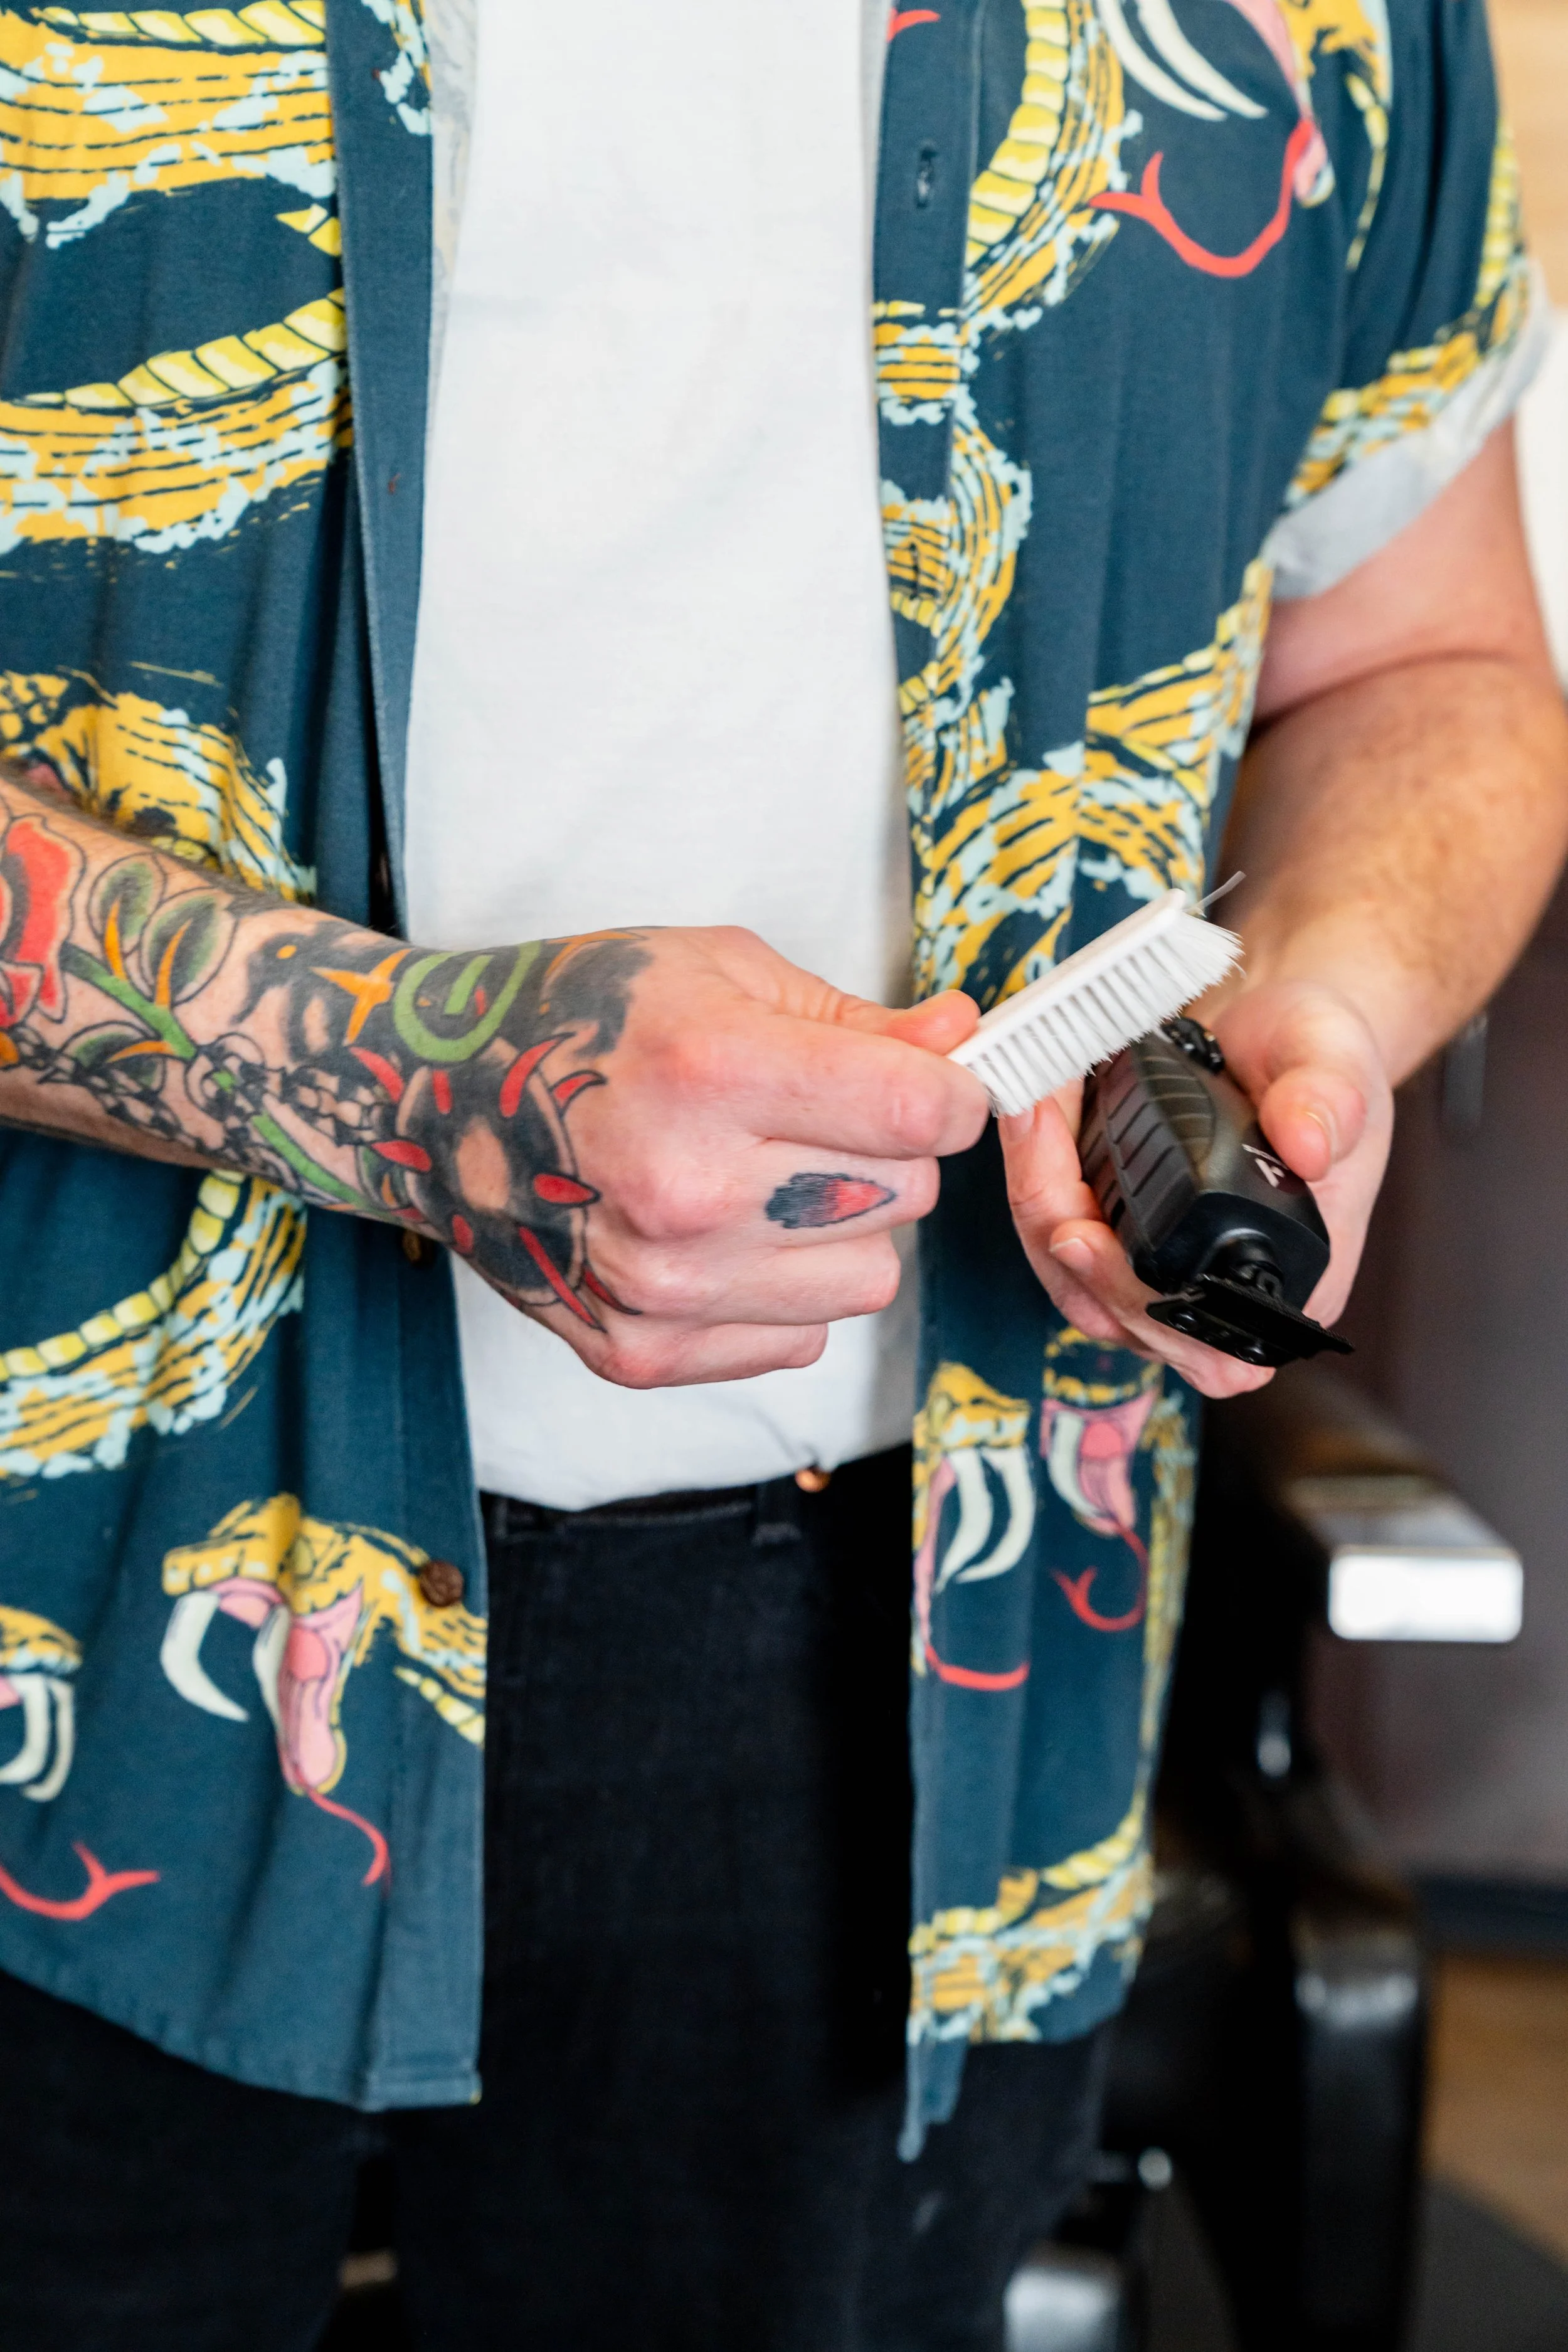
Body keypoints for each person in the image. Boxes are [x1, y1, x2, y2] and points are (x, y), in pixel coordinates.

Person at [0, 0, 1564, 2344]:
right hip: (76, 1613)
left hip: (921, 1677)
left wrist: (1321, 1013)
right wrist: (405, 1085)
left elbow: (1420, 660)